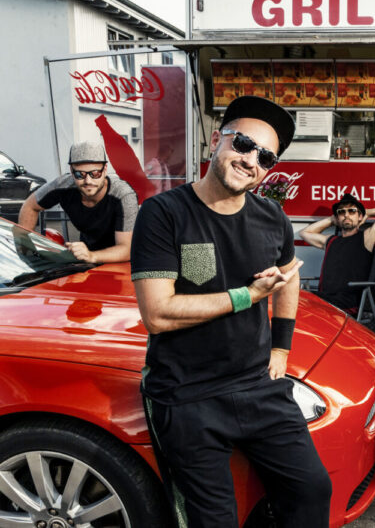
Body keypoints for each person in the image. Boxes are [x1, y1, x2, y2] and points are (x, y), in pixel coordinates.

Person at [130, 96, 332, 528]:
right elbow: (158, 314)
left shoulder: (272, 217)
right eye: (242, 143)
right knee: (215, 520)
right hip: (187, 394)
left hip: (257, 385)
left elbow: (289, 277)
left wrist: (281, 349)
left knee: (312, 490)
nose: (250, 160)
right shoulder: (163, 213)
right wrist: (247, 296)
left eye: (265, 157)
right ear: (214, 141)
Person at [18, 141, 138, 263]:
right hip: (85, 258)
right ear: (71, 171)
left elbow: (126, 249)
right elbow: (29, 206)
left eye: (95, 173)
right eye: (80, 174)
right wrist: (22, 252)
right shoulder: (62, 186)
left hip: (121, 262)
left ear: (105, 170)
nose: (88, 181)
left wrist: (91, 256)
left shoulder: (123, 195)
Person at [299, 193, 375, 312]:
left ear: (360, 216)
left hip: (346, 304)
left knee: (296, 298)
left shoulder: (366, 237)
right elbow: (304, 233)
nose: (346, 215)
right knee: (291, 296)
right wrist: (332, 220)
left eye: (352, 211)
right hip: (324, 300)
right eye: (341, 212)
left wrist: (368, 212)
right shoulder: (330, 241)